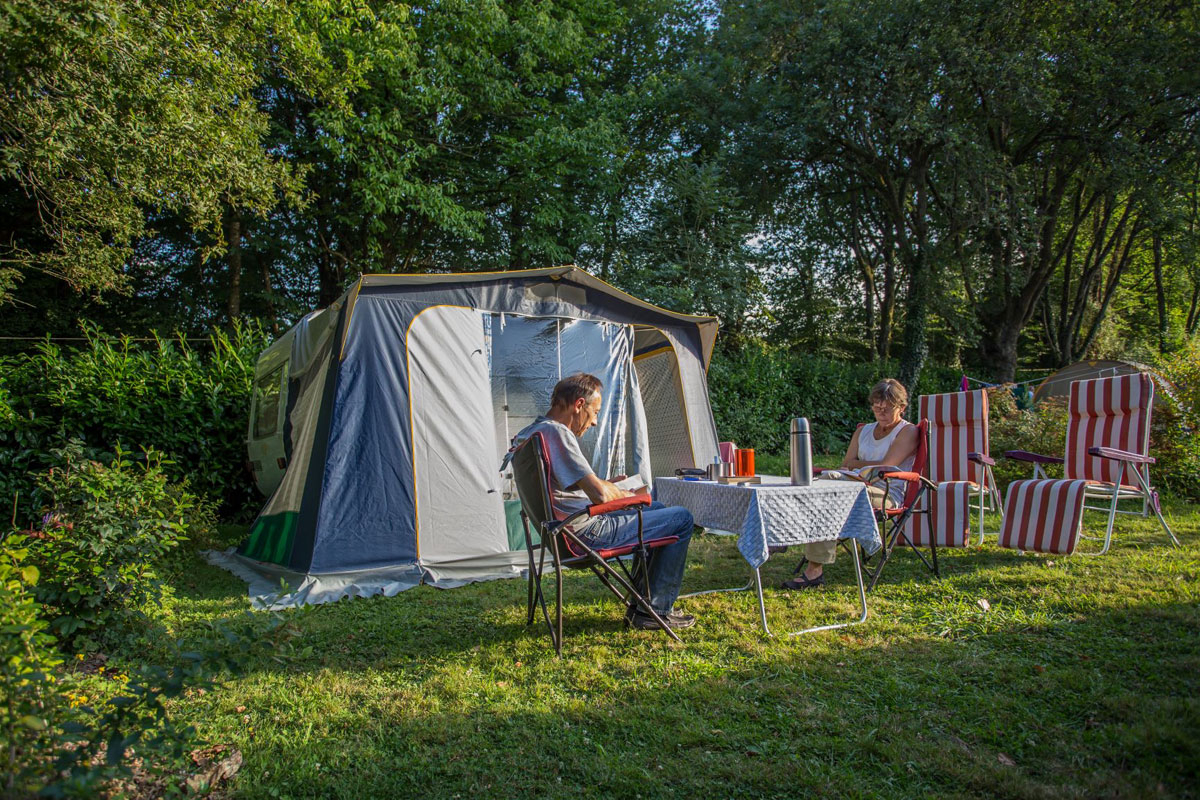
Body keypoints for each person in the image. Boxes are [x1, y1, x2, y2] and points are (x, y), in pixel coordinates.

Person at [511, 373, 697, 630]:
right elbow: (598, 495)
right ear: (579, 405)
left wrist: (610, 485)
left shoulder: (530, 433)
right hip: (584, 535)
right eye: (595, 412)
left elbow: (578, 484)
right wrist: (626, 494)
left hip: (559, 535)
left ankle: (646, 605)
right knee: (681, 518)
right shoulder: (556, 433)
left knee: (658, 510)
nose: (595, 422)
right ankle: (653, 611)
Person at [781, 378, 918, 591]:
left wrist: (858, 466)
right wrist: (858, 468)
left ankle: (807, 564)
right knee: (821, 490)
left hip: (885, 492)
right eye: (876, 405)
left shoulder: (907, 432)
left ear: (901, 407)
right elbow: (847, 464)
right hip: (852, 485)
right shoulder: (863, 431)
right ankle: (799, 554)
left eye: (887, 406)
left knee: (828, 493)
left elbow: (886, 467)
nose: (880, 410)